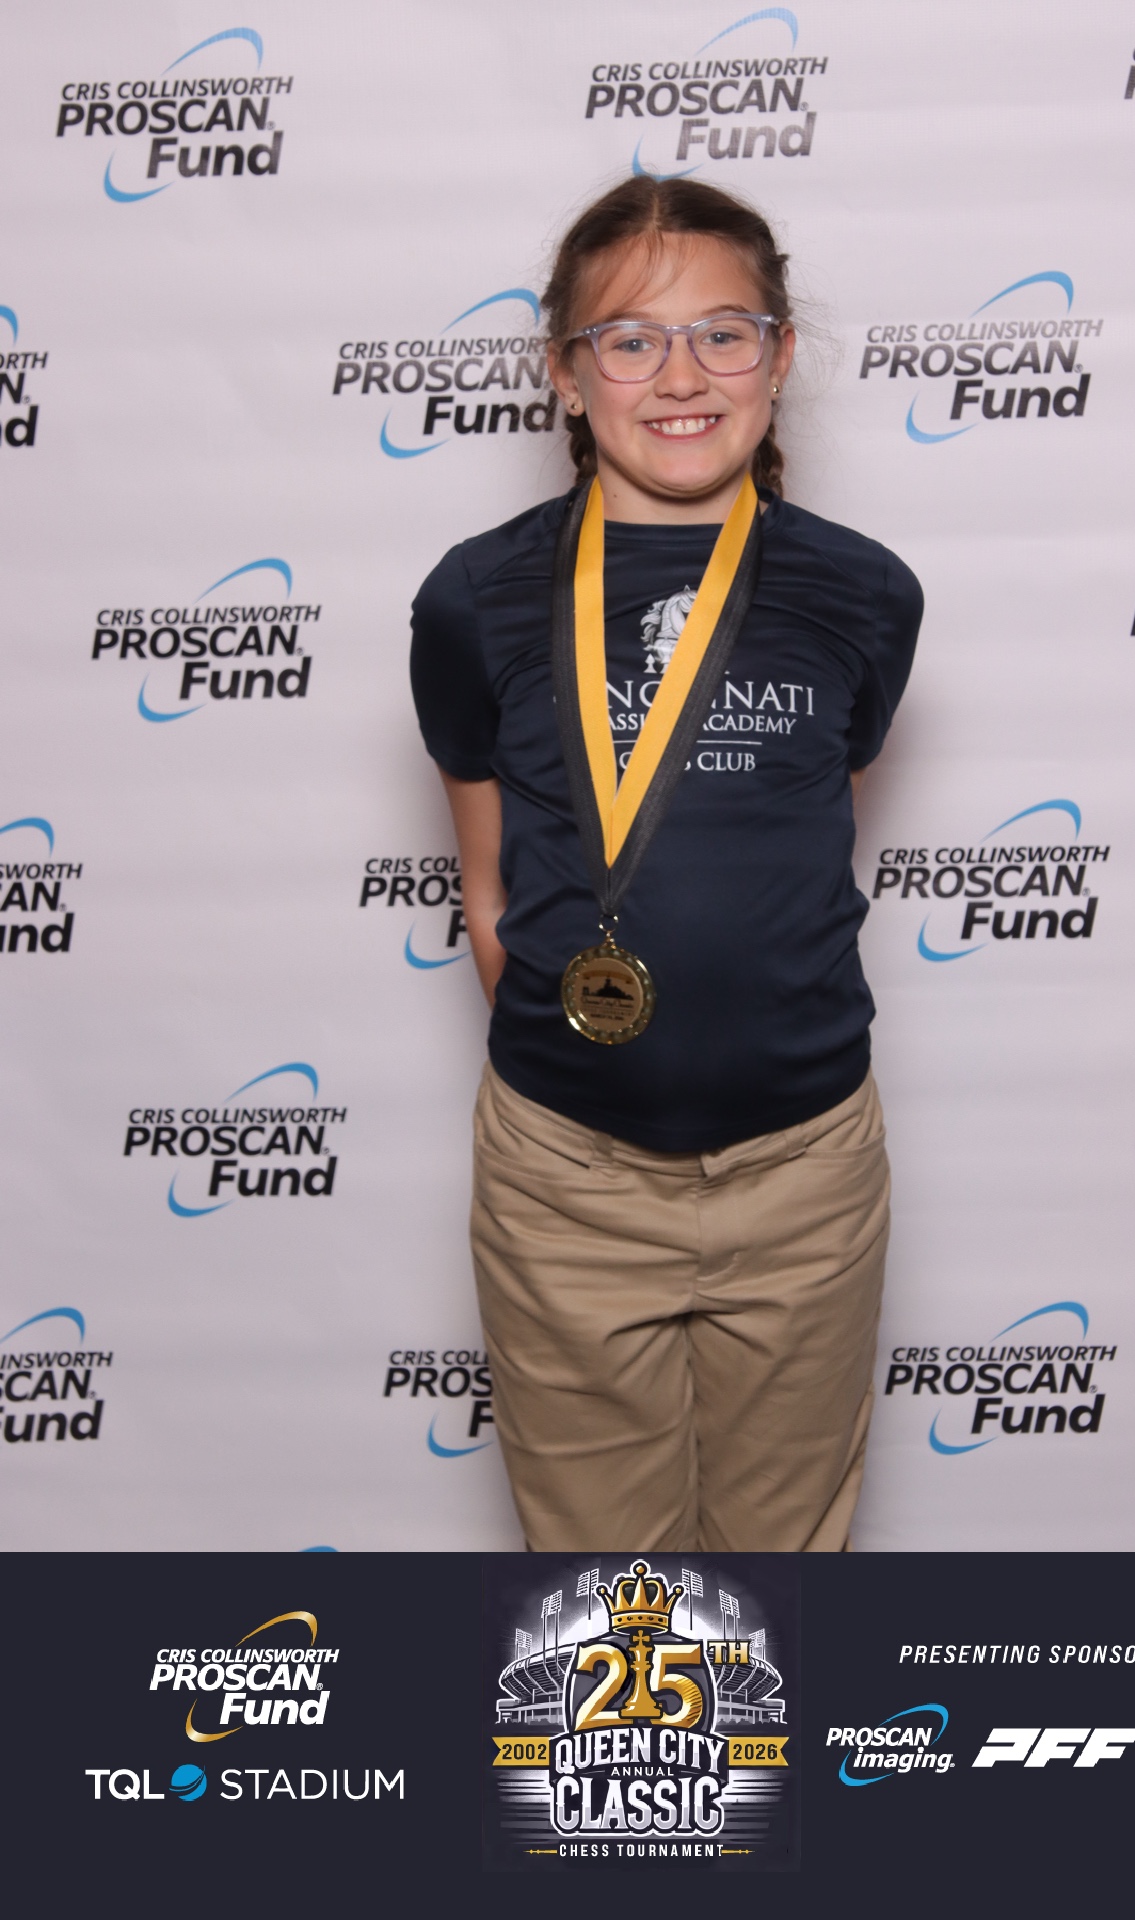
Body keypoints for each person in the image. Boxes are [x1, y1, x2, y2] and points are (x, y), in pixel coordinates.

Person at [409, 176, 922, 1551]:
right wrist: (595, 1067)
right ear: (566, 375)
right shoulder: (477, 598)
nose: (680, 376)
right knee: (601, 1594)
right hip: (566, 1178)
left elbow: (804, 830)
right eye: (630, 340)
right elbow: (489, 890)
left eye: (723, 334)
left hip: (806, 1171)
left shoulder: (864, 591)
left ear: (781, 355)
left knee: (784, 1571)